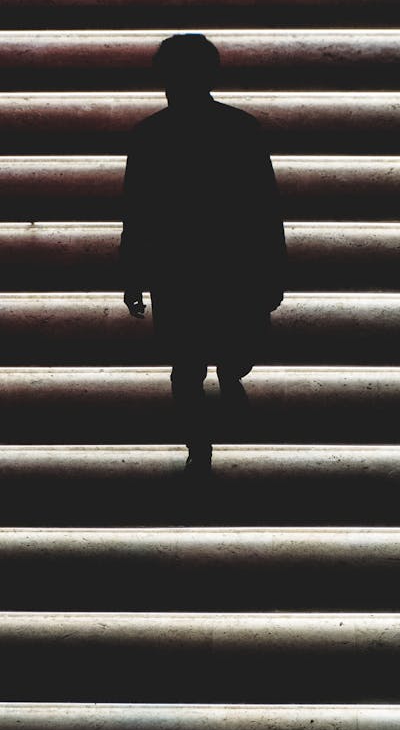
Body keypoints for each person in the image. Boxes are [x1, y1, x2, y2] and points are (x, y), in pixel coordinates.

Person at [119, 33, 287, 474]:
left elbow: (136, 211)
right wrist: (273, 271)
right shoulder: (241, 129)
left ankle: (199, 446)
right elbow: (265, 207)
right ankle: (229, 381)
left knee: (185, 365)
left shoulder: (150, 135)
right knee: (225, 345)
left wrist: (133, 273)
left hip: (176, 267)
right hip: (232, 262)